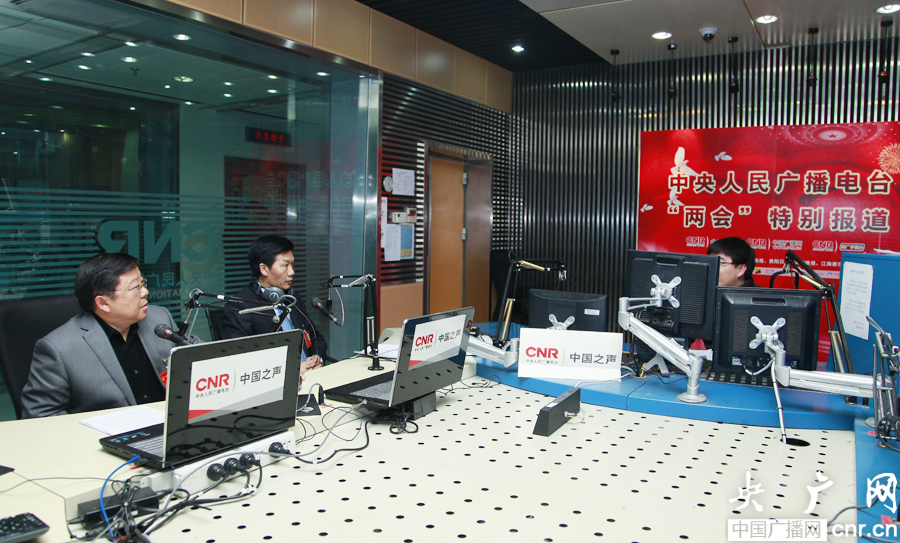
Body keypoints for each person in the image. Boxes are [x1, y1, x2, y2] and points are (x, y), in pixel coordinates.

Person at [21, 253, 196, 418]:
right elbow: (40, 416)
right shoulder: (59, 349)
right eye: (135, 288)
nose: (145, 292)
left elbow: (199, 354)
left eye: (143, 283)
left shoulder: (158, 317)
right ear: (103, 302)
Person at [222, 235, 327, 377]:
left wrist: (316, 358)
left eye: (292, 264)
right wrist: (292, 368)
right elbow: (241, 358)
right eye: (285, 265)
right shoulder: (240, 306)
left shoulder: (292, 299)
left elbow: (314, 336)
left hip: (311, 376)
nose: (292, 272)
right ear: (264, 269)